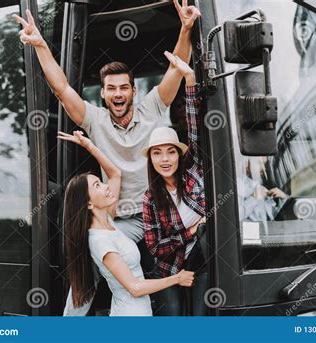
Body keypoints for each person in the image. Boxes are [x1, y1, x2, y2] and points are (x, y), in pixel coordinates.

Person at [12, 1, 200, 315]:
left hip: (158, 216)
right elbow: (61, 89)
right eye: (111, 88)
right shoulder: (95, 120)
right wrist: (41, 46)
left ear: (133, 91)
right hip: (121, 221)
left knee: (173, 280)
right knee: (88, 267)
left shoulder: (152, 108)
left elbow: (177, 69)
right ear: (103, 93)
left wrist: (186, 28)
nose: (117, 94)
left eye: (124, 88)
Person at [59, 130, 195, 316]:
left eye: (101, 182)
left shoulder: (108, 221)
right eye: (97, 186)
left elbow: (115, 174)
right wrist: (177, 278)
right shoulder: (100, 241)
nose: (106, 187)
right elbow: (135, 288)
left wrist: (89, 145)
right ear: (88, 203)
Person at [142, 52, 207, 315]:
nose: (165, 159)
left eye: (170, 152)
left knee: (201, 319)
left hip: (202, 260)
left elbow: (193, 126)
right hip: (169, 268)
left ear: (179, 155)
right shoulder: (150, 198)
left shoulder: (192, 171)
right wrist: (193, 231)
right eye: (157, 153)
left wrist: (189, 78)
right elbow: (156, 247)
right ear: (151, 159)